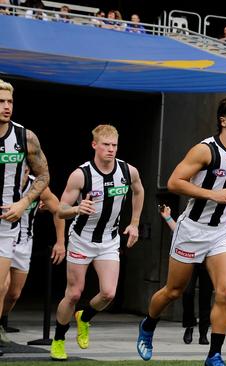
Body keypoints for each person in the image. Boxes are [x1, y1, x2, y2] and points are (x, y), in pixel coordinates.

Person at [137, 96, 226, 366]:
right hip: (191, 230)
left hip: (220, 232)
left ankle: (214, 355)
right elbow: (174, 182)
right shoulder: (205, 150)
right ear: (223, 121)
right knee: (174, 291)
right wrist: (213, 195)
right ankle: (148, 325)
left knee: (225, 292)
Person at [51, 124, 144, 361]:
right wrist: (76, 208)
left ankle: (84, 317)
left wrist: (134, 223)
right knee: (73, 294)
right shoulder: (81, 174)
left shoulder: (127, 170)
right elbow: (59, 210)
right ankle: (59, 338)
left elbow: (138, 190)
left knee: (108, 293)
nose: (111, 150)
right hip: (82, 239)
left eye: (114, 145)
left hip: (109, 240)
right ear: (94, 145)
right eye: (105, 145)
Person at [0, 79, 50, 357]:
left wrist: (24, 202)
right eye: (1, 102)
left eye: (9, 102)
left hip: (8, 221)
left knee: (6, 289)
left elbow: (44, 175)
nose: (7, 107)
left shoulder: (25, 138)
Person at [0, 167, 65, 345]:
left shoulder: (38, 186)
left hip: (23, 243)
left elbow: (58, 210)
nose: (23, 172)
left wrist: (60, 242)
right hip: (2, 238)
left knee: (13, 293)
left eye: (27, 170)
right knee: (2, 286)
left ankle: (0, 321)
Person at [158, 204, 212, 345]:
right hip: (191, 258)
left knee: (206, 296)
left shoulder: (216, 216)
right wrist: (168, 217)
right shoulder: (192, 212)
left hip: (208, 260)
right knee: (187, 293)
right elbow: (179, 232)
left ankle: (203, 333)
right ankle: (189, 326)